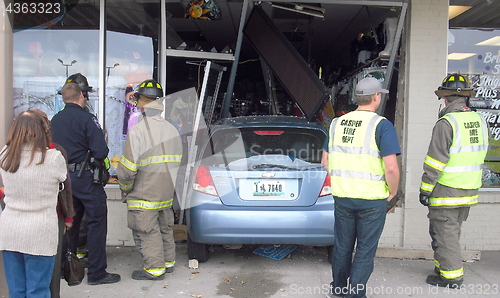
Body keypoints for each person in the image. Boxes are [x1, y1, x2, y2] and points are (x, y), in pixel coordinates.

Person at [321, 77, 401, 298]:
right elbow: (391, 168)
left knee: (343, 246)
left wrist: (342, 180)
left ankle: (338, 289)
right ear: (376, 97)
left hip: (343, 197)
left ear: (357, 98)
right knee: (365, 249)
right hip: (372, 200)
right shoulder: (381, 125)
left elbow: (325, 161)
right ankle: (355, 294)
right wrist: (393, 191)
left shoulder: (336, 123)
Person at [420, 73, 488, 289]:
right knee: (449, 231)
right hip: (469, 188)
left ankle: (451, 277)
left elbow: (435, 161)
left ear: (446, 98)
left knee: (445, 234)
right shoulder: (478, 120)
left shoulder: (447, 123)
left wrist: (425, 189)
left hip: (447, 189)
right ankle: (442, 267)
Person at [50, 77, 120, 285]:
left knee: (69, 224)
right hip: (86, 179)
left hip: (65, 180)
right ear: (82, 95)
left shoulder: (55, 120)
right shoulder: (87, 119)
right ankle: (97, 273)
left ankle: (65, 269)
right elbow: (101, 150)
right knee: (96, 224)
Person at [117, 79, 182, 280]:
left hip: (144, 194)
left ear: (141, 103)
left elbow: (128, 169)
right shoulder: (173, 130)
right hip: (165, 192)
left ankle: (154, 269)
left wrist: (125, 188)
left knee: (147, 231)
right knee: (164, 228)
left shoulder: (137, 131)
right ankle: (169, 263)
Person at [0, 111, 67, 297]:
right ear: (42, 130)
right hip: (40, 232)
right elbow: (63, 178)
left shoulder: (5, 155)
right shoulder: (53, 158)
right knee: (38, 290)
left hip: (10, 230)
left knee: (16, 291)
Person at [31, 109, 75, 298]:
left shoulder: (56, 151)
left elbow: (66, 187)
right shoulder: (13, 152)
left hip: (53, 216)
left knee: (51, 266)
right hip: (39, 217)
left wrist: (68, 216)